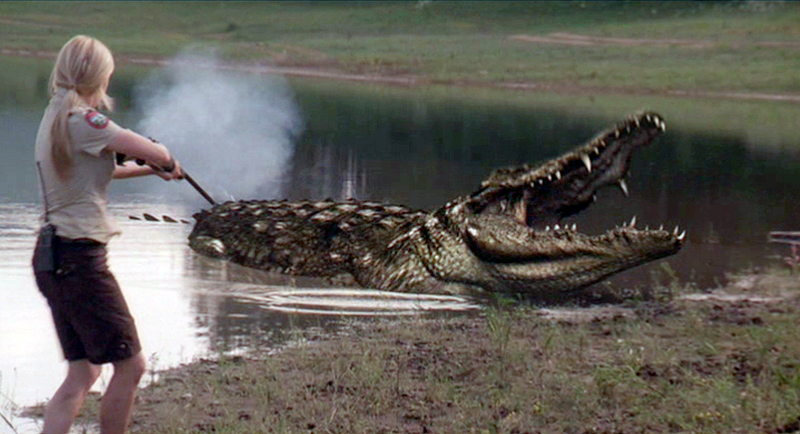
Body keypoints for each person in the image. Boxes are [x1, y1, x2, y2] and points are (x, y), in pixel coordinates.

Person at [32, 35, 183, 434]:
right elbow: (153, 149)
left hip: (52, 258)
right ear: (98, 77)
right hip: (79, 260)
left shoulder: (55, 116)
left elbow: (104, 169)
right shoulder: (85, 120)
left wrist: (151, 169)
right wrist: (163, 159)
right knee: (132, 366)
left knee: (82, 376)